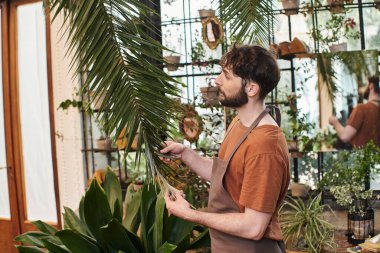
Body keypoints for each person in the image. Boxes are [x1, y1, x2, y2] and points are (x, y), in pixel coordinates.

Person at [161, 45, 290, 253]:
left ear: (251, 89)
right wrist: (185, 153)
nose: (217, 80)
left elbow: (254, 226)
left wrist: (191, 215)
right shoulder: (240, 123)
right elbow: (225, 176)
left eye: (226, 75)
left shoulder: (264, 146)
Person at [329, 75, 380, 147]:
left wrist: (334, 121)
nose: (363, 88)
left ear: (371, 86)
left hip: (363, 157)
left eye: (365, 84)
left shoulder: (362, 108)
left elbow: (344, 136)